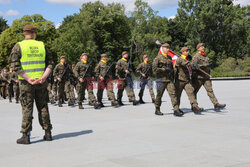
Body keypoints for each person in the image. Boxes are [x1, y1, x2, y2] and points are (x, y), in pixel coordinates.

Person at [9, 24, 53, 144]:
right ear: (34, 33)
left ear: (25, 33)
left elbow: (14, 66)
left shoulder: (19, 46)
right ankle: (48, 133)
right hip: (41, 82)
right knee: (43, 106)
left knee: (27, 108)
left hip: (26, 83)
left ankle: (25, 135)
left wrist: (28, 78)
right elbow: (50, 63)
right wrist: (43, 77)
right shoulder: (42, 45)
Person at [192, 43, 226, 110]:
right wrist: (201, 66)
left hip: (206, 77)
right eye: (201, 47)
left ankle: (216, 104)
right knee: (194, 92)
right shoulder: (196, 56)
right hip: (198, 77)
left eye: (203, 46)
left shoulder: (205, 56)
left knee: (210, 90)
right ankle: (194, 106)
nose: (203, 47)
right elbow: (193, 66)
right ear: (198, 48)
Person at [152, 43, 183, 117]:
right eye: (166, 48)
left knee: (173, 94)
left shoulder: (169, 58)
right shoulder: (157, 58)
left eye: (168, 48)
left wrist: (173, 74)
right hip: (160, 80)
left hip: (169, 80)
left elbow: (172, 68)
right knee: (159, 95)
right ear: (162, 48)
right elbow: (154, 70)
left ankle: (176, 110)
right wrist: (164, 69)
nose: (168, 49)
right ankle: (157, 109)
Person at [174, 47, 203, 114]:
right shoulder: (180, 59)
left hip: (187, 80)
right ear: (183, 52)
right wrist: (193, 65)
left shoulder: (187, 58)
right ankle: (176, 109)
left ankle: (195, 106)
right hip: (179, 80)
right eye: (186, 51)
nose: (188, 52)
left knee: (191, 92)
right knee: (178, 95)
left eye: (188, 50)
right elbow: (186, 64)